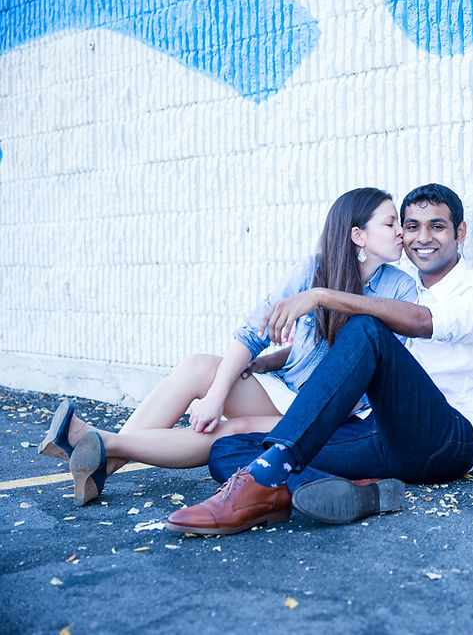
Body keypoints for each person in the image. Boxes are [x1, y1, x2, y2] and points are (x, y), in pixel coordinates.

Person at [165, 183, 473, 534]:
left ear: (460, 232)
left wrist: (322, 296)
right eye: (411, 226)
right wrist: (276, 359)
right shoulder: (402, 287)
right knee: (229, 449)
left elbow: (424, 322)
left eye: (437, 226)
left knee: (365, 328)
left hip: (446, 438)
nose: (423, 237)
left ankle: (260, 491)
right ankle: (357, 493)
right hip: (379, 434)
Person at [38, 188, 416, 506]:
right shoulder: (313, 270)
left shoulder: (399, 290)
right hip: (285, 388)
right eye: (390, 223)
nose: (402, 232)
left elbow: (375, 372)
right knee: (199, 367)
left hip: (328, 411)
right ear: (358, 236)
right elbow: (253, 333)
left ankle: (101, 445)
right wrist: (216, 395)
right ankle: (102, 460)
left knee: (230, 430)